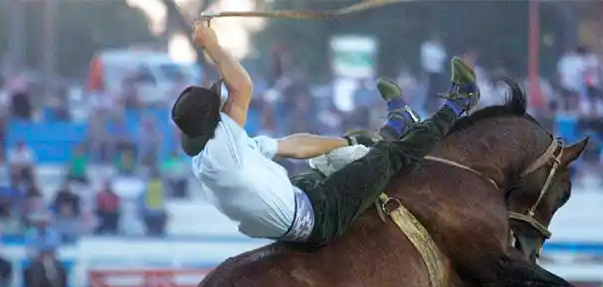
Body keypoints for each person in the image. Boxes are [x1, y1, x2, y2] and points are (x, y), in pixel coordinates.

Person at [174, 21, 479, 248]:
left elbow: (294, 146)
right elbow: (242, 87)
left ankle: (398, 123)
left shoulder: (218, 154)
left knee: (341, 154)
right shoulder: (222, 153)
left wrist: (349, 141)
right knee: (387, 157)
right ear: (214, 123)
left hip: (299, 198)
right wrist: (211, 45)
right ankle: (459, 102)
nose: (228, 107)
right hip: (317, 217)